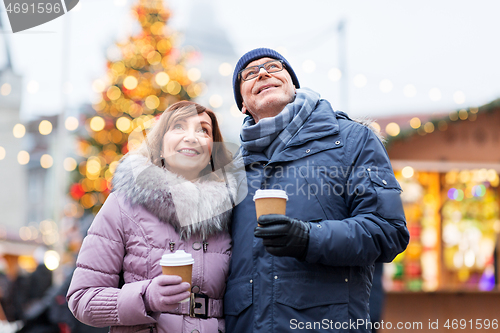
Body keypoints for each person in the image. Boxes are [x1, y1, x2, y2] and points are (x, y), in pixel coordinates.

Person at [224, 48, 410, 333]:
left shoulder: (352, 140)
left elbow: (388, 229)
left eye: (274, 67)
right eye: (249, 74)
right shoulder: (232, 170)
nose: (262, 73)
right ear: (243, 105)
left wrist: (309, 238)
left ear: (293, 85)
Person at [67, 101, 237, 333]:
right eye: (178, 126)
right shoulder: (123, 204)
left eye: (203, 130)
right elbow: (82, 298)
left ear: (212, 151)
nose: (192, 137)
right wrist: (145, 296)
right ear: (160, 145)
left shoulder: (233, 211)